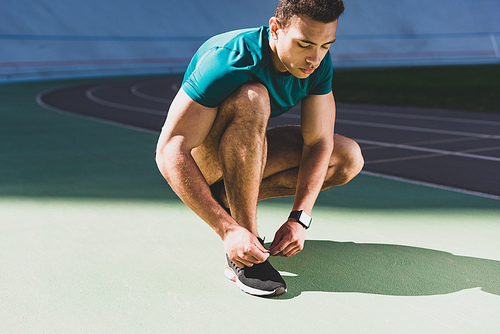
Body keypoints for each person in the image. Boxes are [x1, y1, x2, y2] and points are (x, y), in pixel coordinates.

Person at [155, 0, 364, 297]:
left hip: (246, 148)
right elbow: (169, 149)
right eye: (304, 44)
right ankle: (244, 247)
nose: (314, 59)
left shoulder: (317, 64)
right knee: (254, 95)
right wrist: (227, 230)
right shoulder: (230, 59)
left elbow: (319, 142)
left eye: (325, 46)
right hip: (205, 159)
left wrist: (299, 218)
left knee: (347, 158)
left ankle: (227, 200)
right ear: (276, 29)